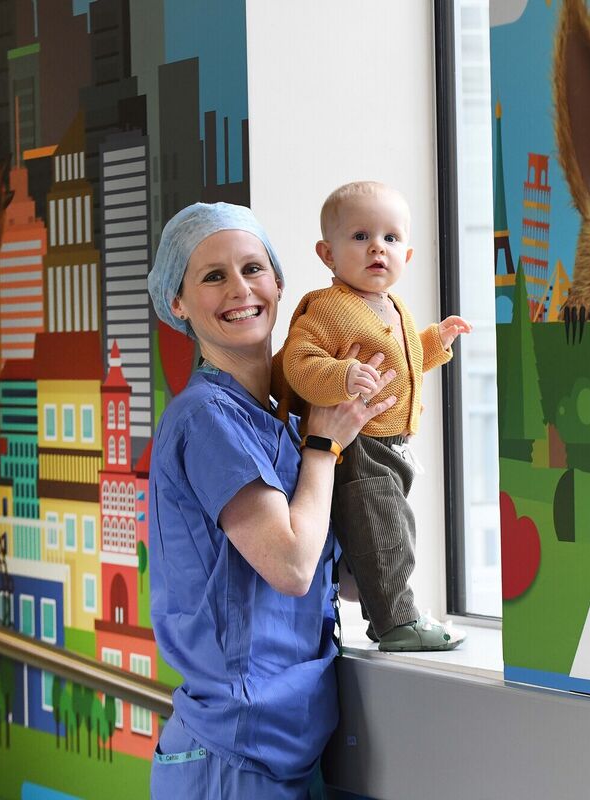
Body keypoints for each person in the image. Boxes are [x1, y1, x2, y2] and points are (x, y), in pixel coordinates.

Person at [146, 202, 396, 799]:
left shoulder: (279, 422)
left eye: (254, 269)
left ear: (280, 284)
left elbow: (333, 580)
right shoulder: (205, 418)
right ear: (178, 304)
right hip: (231, 758)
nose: (240, 289)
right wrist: (323, 444)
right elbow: (289, 566)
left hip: (292, 749)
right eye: (212, 276)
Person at [274, 181, 472, 652]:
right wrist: (341, 376)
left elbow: (398, 364)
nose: (377, 248)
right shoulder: (328, 309)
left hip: (391, 443)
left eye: (391, 238)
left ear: (408, 254)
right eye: (361, 236)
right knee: (384, 529)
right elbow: (297, 363)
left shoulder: (394, 307)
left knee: (394, 525)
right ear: (328, 253)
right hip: (357, 446)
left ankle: (371, 590)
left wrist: (434, 344)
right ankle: (396, 622)